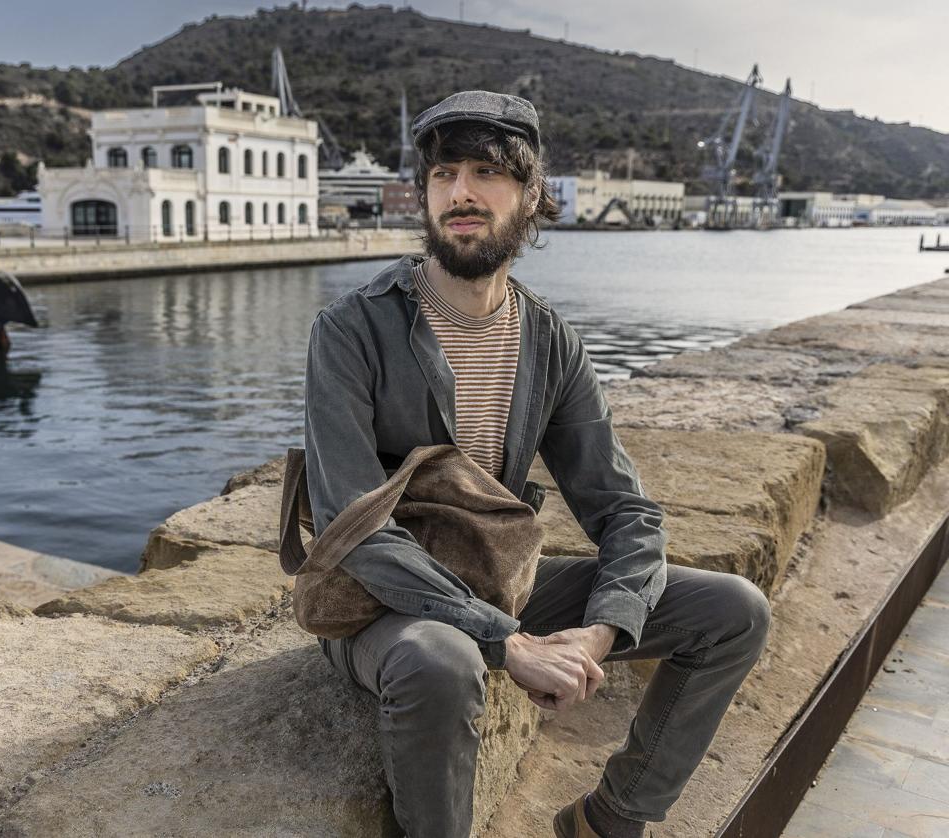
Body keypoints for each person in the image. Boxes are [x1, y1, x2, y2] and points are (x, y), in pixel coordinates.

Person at [303, 90, 771, 838]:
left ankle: (610, 821)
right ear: (424, 194)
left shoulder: (550, 344)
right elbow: (351, 526)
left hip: (496, 584)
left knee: (733, 611)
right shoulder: (351, 330)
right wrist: (505, 641)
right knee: (442, 662)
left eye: (487, 172)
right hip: (380, 605)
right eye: (443, 173)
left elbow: (625, 511)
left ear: (530, 197)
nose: (460, 192)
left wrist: (599, 633)